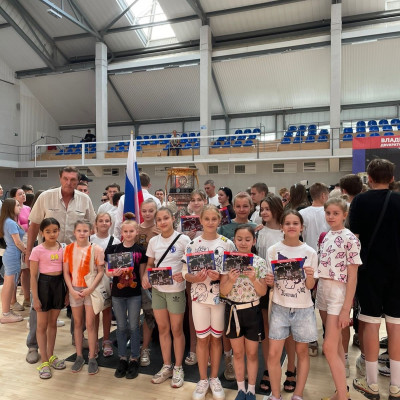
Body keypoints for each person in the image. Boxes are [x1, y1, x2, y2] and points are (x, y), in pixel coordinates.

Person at [25, 166, 96, 364]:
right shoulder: (45, 197)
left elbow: (90, 227)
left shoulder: (85, 200)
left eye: (73, 179)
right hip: (46, 258)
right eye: (66, 178)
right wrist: (29, 251)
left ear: (78, 181)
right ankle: (33, 345)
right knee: (38, 302)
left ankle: (77, 336)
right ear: (60, 178)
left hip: (75, 258)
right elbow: (34, 225)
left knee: (77, 296)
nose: (69, 183)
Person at [350, 159, 400, 400]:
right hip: (398, 271)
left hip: (369, 271)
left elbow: (354, 238)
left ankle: (371, 383)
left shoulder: (360, 201)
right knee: (396, 325)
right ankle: (396, 385)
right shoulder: (399, 200)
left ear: (368, 178)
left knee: (369, 323)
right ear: (392, 178)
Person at [184, 204, 235, 400]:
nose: (211, 222)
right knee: (202, 339)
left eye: (214, 219)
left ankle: (214, 378)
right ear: (201, 220)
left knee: (216, 338)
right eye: (207, 219)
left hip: (220, 299)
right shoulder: (192, 244)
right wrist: (195, 277)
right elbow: (185, 273)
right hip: (199, 298)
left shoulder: (227, 244)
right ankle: (203, 379)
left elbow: (232, 274)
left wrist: (220, 276)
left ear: (219, 220)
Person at [265, 210, 318, 400]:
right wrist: (269, 281)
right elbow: (270, 283)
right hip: (279, 307)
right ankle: (275, 395)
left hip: (303, 308)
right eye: (287, 223)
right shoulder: (273, 250)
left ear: (302, 227)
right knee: (273, 353)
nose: (291, 226)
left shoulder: (310, 252)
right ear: (281, 227)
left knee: (302, 352)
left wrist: (310, 276)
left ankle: (298, 394)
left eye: (295, 223)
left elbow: (310, 286)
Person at [316, 198, 361, 400]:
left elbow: (353, 276)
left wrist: (346, 308)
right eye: (328, 213)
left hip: (338, 292)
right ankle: (341, 392)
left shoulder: (350, 238)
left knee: (328, 347)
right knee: (336, 346)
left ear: (345, 214)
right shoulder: (326, 235)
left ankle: (343, 397)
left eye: (336, 213)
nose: (331, 217)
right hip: (323, 289)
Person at [142, 207, 190, 388]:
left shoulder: (184, 239)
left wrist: (183, 274)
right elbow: (150, 263)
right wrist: (146, 276)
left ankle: (178, 367)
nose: (163, 222)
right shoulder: (154, 241)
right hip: (158, 290)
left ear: (173, 219)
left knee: (176, 329)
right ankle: (167, 365)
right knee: (163, 329)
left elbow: (190, 264)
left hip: (176, 291)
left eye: (166, 218)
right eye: (159, 219)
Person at [220, 225, 268, 400]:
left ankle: (251, 390)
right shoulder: (227, 261)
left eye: (247, 239)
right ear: (234, 240)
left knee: (252, 353)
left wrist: (254, 279)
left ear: (254, 241)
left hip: (252, 311)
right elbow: (223, 291)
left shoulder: (259, 262)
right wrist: (231, 280)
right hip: (233, 311)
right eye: (239, 239)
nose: (243, 242)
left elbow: (263, 292)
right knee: (238, 353)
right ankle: (241, 389)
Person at [105, 215, 147, 379]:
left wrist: (144, 287)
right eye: (125, 231)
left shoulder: (140, 251)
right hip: (118, 293)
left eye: (131, 231)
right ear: (121, 232)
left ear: (136, 232)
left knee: (134, 327)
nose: (128, 234)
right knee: (121, 327)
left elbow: (142, 273)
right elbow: (107, 271)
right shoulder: (113, 249)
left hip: (134, 294)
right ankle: (122, 357)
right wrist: (112, 273)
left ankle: (134, 358)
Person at [63, 220, 104, 375]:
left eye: (85, 230)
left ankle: (92, 356)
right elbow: (66, 272)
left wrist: (91, 288)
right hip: (75, 289)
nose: (82, 233)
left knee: (90, 324)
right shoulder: (68, 249)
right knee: (78, 323)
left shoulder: (96, 249)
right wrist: (71, 290)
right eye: (79, 230)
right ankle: (79, 356)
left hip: (90, 290)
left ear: (90, 232)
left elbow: (100, 271)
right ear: (74, 232)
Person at [30, 218, 67, 379]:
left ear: (59, 231)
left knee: (53, 323)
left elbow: (66, 273)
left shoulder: (63, 249)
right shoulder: (37, 250)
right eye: (48, 231)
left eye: (55, 231)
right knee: (41, 325)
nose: (52, 234)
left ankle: (51, 355)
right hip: (43, 286)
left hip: (59, 286)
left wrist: (66, 293)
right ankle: (44, 361)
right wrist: (35, 298)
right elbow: (33, 276)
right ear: (42, 233)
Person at [256, 195, 284, 395]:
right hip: (264, 285)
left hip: (284, 286)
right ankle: (268, 368)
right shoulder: (260, 232)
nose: (264, 212)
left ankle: (290, 369)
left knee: (285, 330)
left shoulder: (285, 230)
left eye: (267, 208)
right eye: (262, 209)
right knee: (266, 329)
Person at [90, 212, 121, 358]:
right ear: (96, 223)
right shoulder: (90, 239)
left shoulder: (115, 241)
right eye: (101, 220)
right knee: (95, 311)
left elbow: (116, 263)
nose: (104, 223)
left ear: (110, 223)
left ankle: (106, 340)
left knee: (107, 311)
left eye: (107, 221)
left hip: (108, 280)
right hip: (93, 280)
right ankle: (94, 341)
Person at [136, 199, 160, 367]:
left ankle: (147, 347)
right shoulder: (136, 229)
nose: (147, 214)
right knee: (137, 313)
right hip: (135, 276)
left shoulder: (160, 229)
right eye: (144, 211)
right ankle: (138, 345)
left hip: (155, 277)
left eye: (151, 211)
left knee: (150, 313)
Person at [0, 198, 26, 323]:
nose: (20, 207)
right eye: (17, 205)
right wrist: (27, 251)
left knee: (11, 284)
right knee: (9, 284)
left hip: (13, 254)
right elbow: (18, 242)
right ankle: (5, 314)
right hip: (12, 255)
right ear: (11, 207)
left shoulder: (9, 221)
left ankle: (7, 311)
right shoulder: (9, 222)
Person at [114, 172, 161, 238]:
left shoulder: (124, 198)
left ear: (134, 184)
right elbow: (159, 220)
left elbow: (119, 222)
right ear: (149, 185)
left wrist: (117, 239)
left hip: (129, 236)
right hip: (152, 235)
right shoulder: (156, 200)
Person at [10, 187, 31, 309]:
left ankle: (27, 298)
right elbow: (16, 226)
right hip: (19, 239)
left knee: (27, 269)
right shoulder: (13, 210)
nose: (23, 195)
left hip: (28, 238)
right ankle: (13, 300)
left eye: (24, 193)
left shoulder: (28, 208)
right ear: (14, 197)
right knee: (17, 271)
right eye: (20, 194)